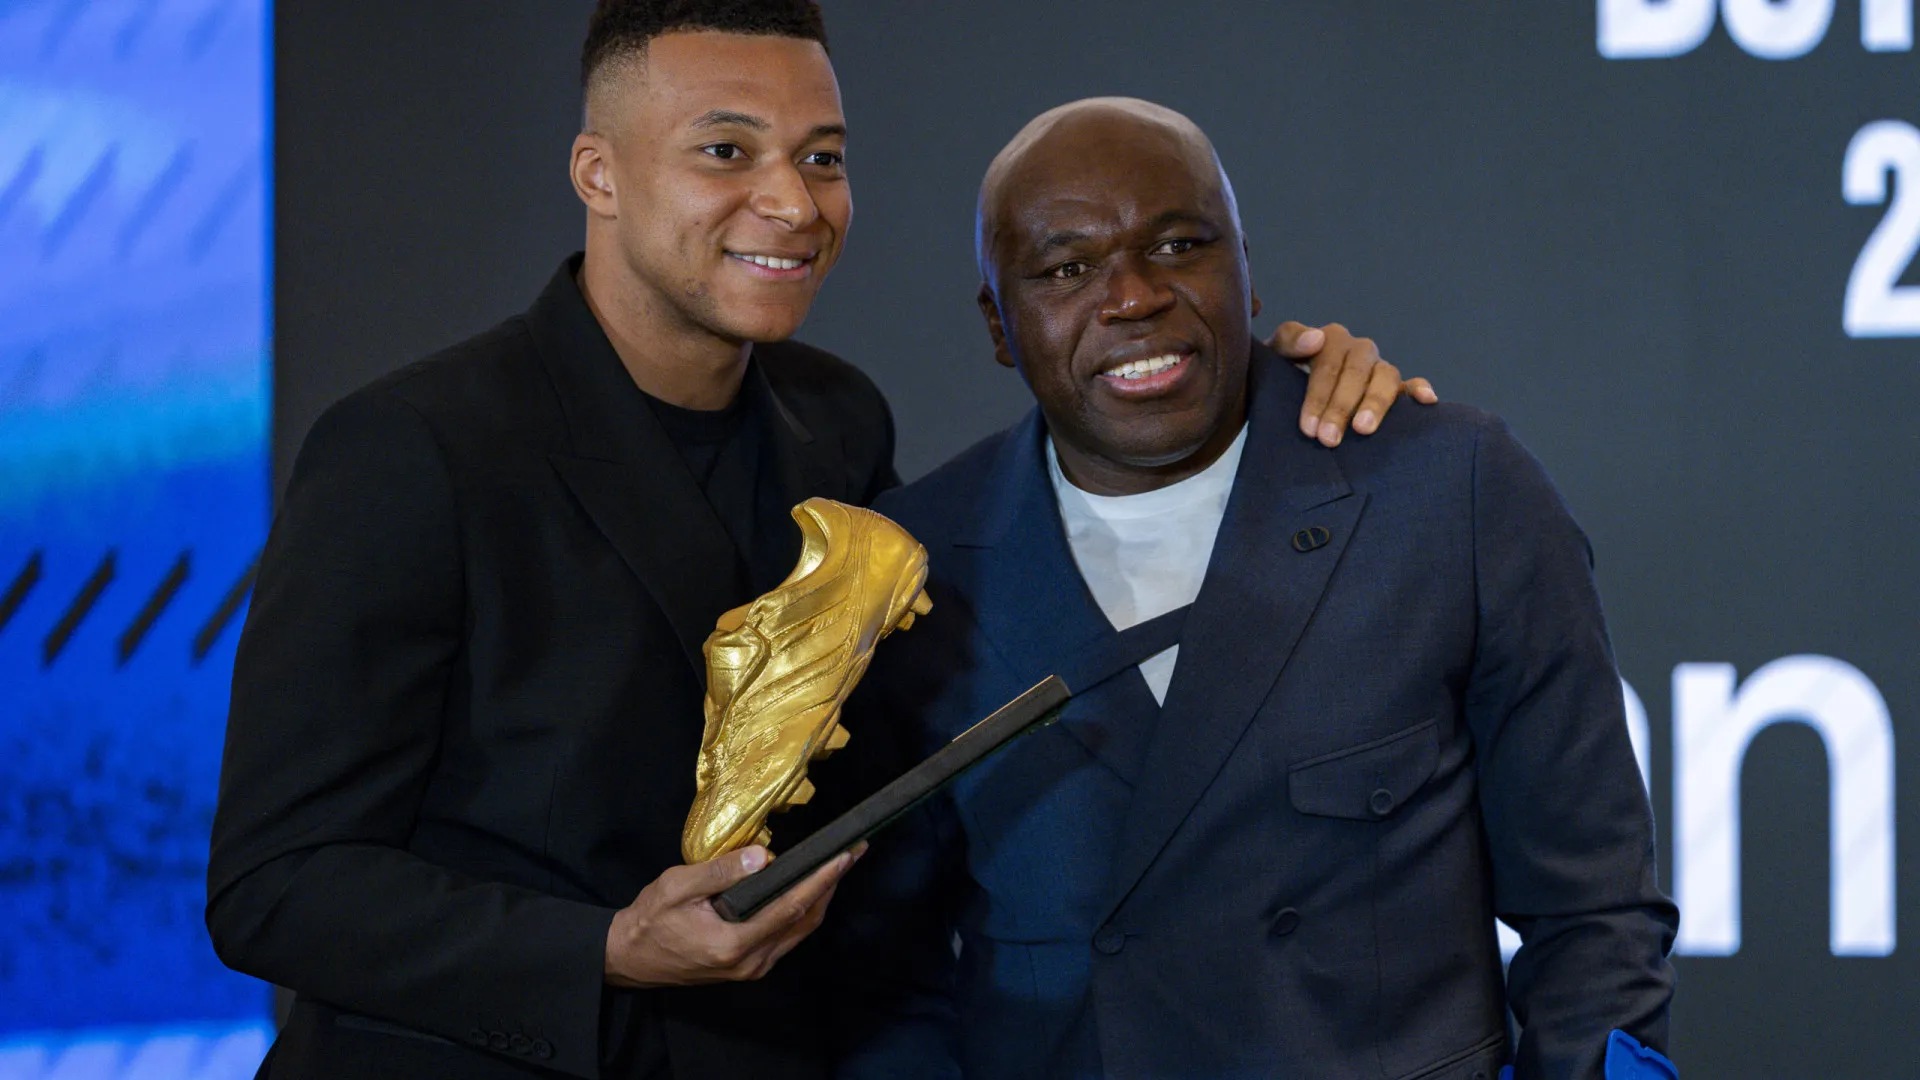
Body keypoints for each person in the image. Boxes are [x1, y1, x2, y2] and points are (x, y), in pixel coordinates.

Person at [203, 5, 1426, 1079]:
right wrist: (607, 950)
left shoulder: (838, 424)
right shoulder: (412, 450)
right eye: (725, 152)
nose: (792, 203)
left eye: (823, 158)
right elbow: (274, 886)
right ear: (598, 172)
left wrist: (1275, 389)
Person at [846, 97, 1679, 1080]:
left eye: (1179, 245)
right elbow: (881, 983)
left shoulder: (1449, 489)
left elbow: (1594, 915)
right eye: (1067, 269)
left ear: (1245, 268)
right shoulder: (917, 569)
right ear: (999, 324)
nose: (1132, 297)